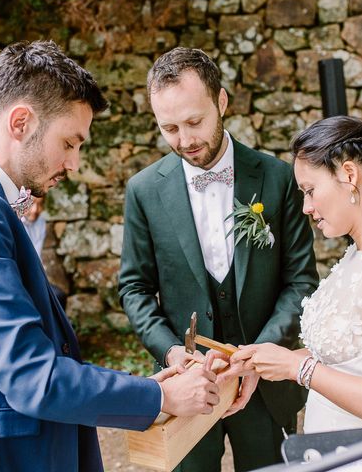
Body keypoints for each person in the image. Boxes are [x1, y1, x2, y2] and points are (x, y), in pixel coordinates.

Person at [0, 40, 221, 472]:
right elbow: (30, 376)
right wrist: (160, 397)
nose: (74, 163)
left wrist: (143, 387)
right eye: (69, 142)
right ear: (21, 122)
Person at [119, 47, 318, 472]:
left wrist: (261, 357)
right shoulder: (143, 191)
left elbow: (300, 281)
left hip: (265, 386)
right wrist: (172, 353)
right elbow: (134, 289)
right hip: (188, 387)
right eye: (169, 128)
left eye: (195, 121)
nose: (185, 140)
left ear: (222, 101)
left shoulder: (277, 177)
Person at [232, 116, 362, 433]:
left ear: (348, 175)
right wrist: (267, 361)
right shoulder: (359, 255)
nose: (306, 207)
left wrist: (297, 368)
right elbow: (349, 359)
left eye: (310, 190)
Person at [22, 195, 67, 308]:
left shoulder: (40, 222)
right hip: (19, 279)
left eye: (40, 204)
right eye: (32, 204)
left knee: (59, 297)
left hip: (33, 279)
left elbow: (36, 256)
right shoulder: (16, 222)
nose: (35, 210)